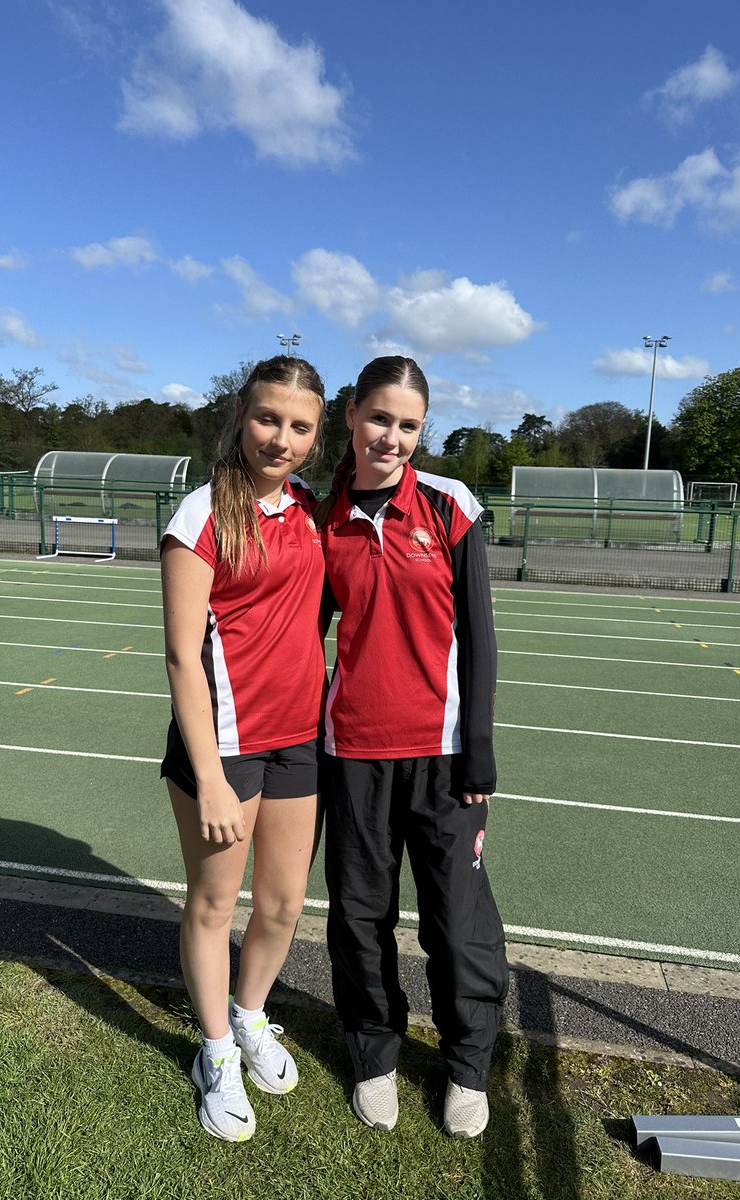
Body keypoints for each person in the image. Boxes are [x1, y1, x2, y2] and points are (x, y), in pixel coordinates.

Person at [317, 355, 508, 1139]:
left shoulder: (448, 504)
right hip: (352, 753)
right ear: (351, 413)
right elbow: (300, 630)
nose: (391, 437)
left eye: (408, 425)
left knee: (455, 921)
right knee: (359, 919)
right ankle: (375, 1055)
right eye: (379, 418)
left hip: (444, 756)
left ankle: (467, 1064)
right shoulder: (317, 514)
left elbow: (480, 633)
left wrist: (481, 750)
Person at [160, 356, 326, 1143]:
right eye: (268, 419)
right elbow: (181, 655)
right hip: (221, 747)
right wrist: (209, 778)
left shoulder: (313, 512)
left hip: (299, 739)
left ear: (317, 435)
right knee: (214, 902)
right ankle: (215, 1054)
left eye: (299, 427)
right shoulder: (200, 513)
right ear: (240, 414)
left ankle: (250, 1016)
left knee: (285, 903)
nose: (281, 439)